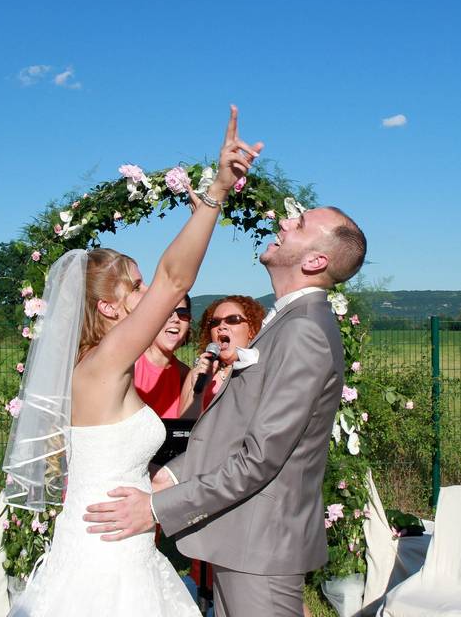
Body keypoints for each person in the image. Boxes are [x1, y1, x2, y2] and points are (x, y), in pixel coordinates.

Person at [4, 106, 263, 617]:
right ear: (107, 306)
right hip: (108, 555)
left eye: (144, 285)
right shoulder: (103, 361)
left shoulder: (91, 365)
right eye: (135, 287)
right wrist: (215, 195)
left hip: (117, 540)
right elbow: (175, 280)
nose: (148, 295)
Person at [84, 204, 367, 617]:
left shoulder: (304, 329)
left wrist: (156, 507)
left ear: (315, 261)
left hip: (261, 547)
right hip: (245, 540)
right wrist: (174, 473)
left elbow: (260, 457)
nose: (285, 222)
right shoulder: (287, 320)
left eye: (300, 224)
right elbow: (237, 428)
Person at [180, 295, 266, 416]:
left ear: (251, 329)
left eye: (232, 320)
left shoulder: (267, 372)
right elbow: (183, 431)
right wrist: (198, 394)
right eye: (215, 322)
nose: (221, 326)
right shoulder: (198, 375)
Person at [134, 295, 193, 419]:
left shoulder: (185, 375)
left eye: (183, 313)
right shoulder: (130, 367)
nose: (176, 319)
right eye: (167, 311)